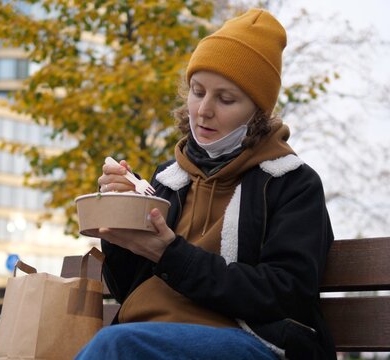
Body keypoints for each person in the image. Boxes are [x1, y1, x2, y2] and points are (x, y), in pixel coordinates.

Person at [77, 8, 335, 360]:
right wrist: (119, 226)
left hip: (251, 341)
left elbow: (286, 293)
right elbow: (130, 293)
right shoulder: (168, 179)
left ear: (258, 112)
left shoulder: (291, 183)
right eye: (197, 92)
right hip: (147, 337)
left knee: (115, 346)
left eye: (225, 99)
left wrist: (171, 255)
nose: (203, 110)